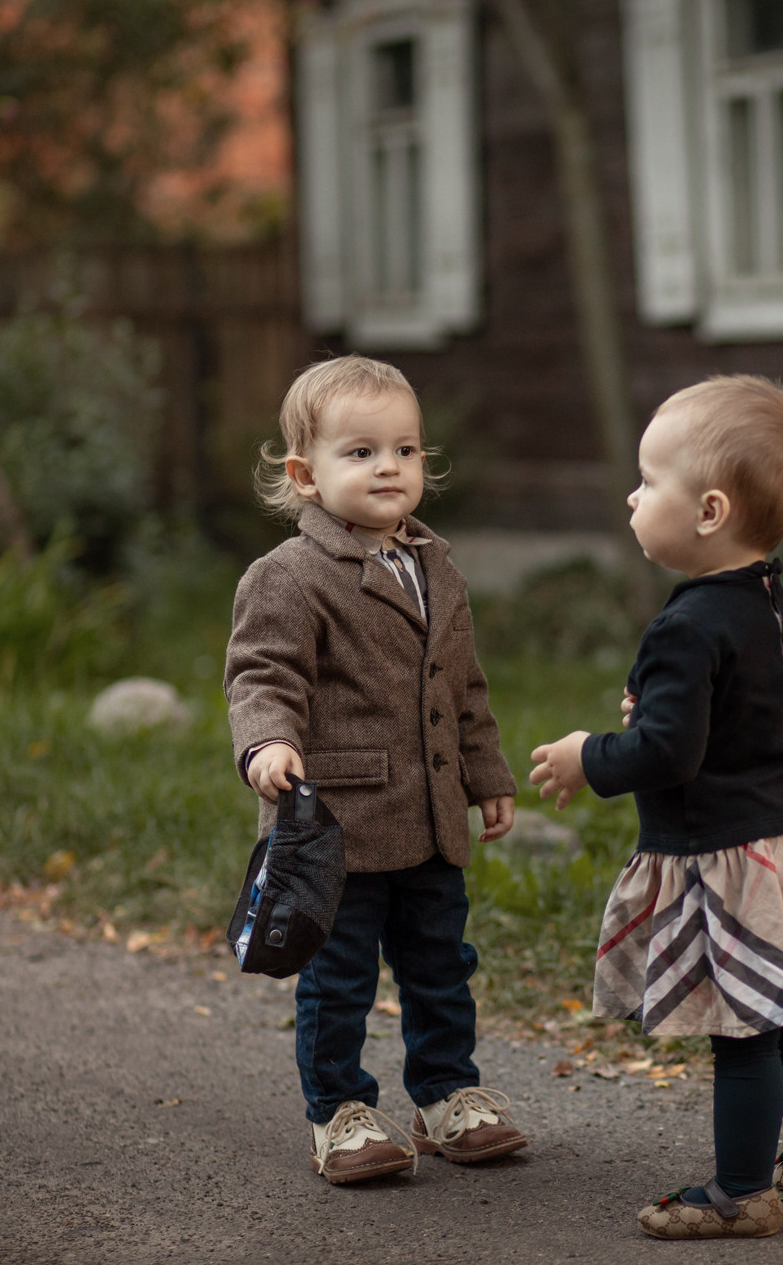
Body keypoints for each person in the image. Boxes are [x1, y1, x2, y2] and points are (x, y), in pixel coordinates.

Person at [528, 375, 783, 1240]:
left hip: (726, 855)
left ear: (711, 509)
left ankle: (740, 1190)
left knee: (743, 1023)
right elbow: (749, 722)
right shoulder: (782, 609)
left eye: (650, 481)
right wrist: (659, 712)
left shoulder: (685, 625)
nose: (633, 495)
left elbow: (669, 754)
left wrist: (590, 756)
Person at [225, 355, 528, 1185]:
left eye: (405, 449)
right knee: (339, 977)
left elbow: (463, 687)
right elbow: (262, 674)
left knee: (441, 967)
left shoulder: (440, 570)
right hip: (339, 829)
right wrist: (266, 744)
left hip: (431, 819)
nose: (388, 466)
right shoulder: (288, 577)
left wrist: (486, 774)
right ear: (305, 474)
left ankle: (447, 1092)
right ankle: (340, 1110)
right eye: (360, 452)